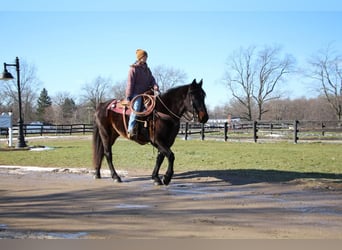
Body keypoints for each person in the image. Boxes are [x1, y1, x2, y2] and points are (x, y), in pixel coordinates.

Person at [126, 49, 159, 138]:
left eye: (146, 57)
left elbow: (152, 80)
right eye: (144, 57)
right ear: (140, 58)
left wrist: (155, 86)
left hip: (147, 93)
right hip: (137, 94)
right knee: (136, 108)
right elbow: (130, 83)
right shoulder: (133, 69)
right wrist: (128, 96)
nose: (146, 58)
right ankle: (130, 129)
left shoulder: (147, 70)